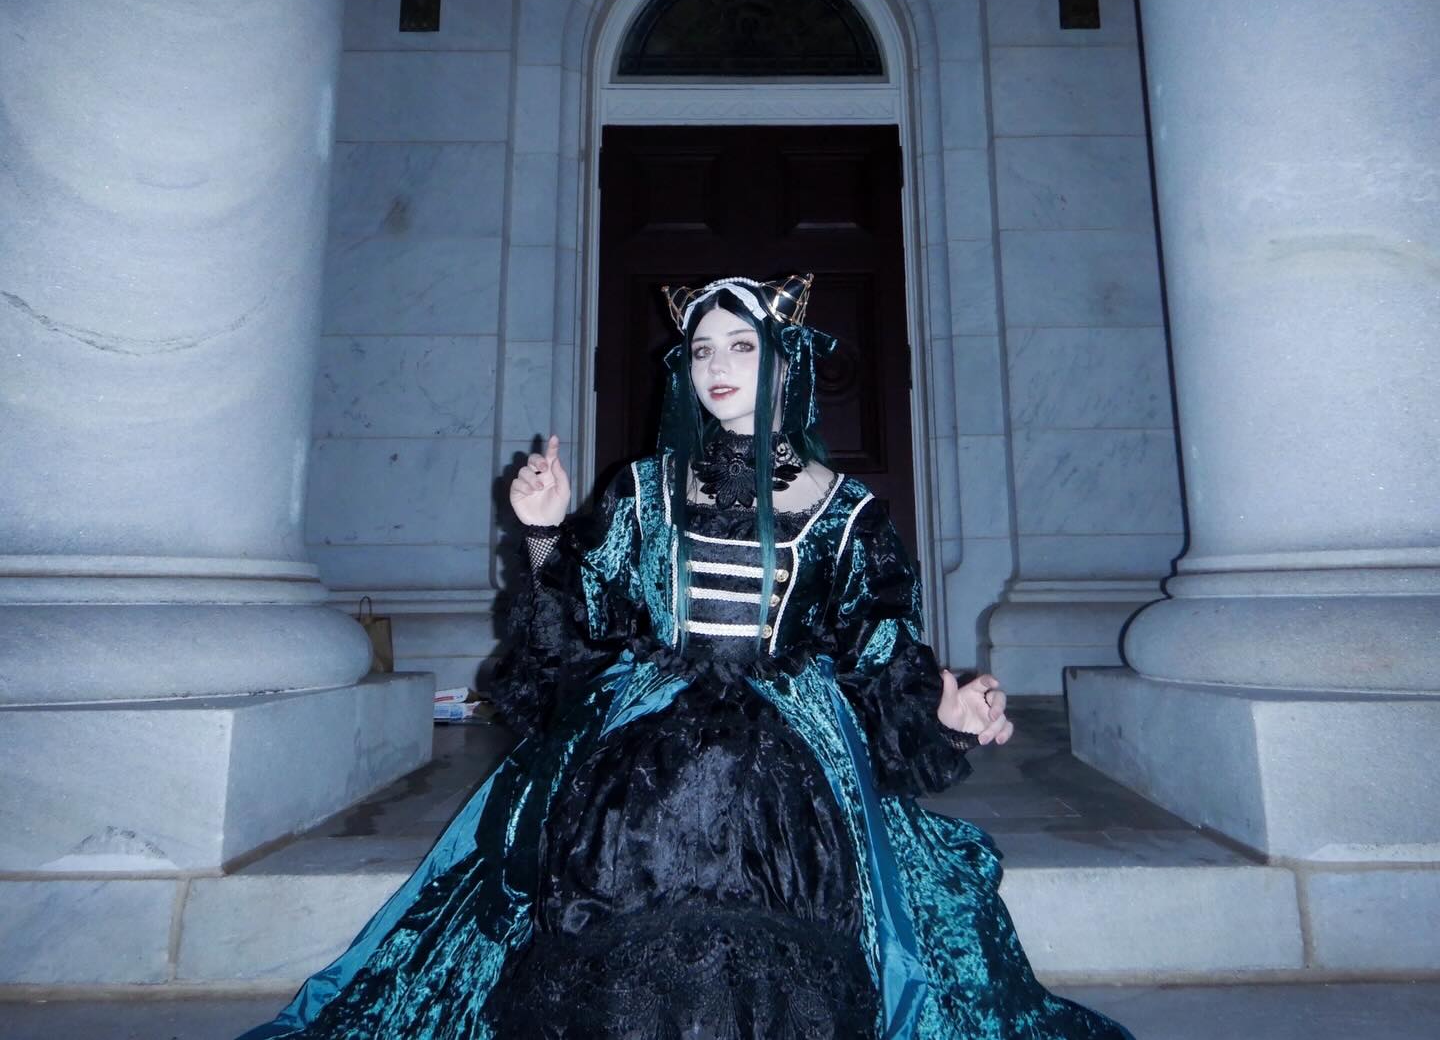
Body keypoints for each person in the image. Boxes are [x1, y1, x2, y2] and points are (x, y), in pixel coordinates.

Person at [240, 273, 1133, 1040]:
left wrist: (944, 706)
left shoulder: (849, 511)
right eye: (702, 350)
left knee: (753, 796)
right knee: (650, 805)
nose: (716, 367)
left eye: (741, 347)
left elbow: (879, 645)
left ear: (785, 360)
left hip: (791, 730)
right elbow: (579, 623)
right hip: (649, 717)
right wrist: (544, 532)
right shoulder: (641, 490)